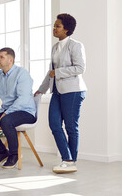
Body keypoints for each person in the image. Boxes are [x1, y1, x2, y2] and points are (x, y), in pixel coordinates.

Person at [34, 13, 86, 174]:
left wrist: (58, 72)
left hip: (73, 91)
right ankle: (68, 158)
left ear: (67, 29)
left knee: (71, 127)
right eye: (54, 25)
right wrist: (41, 89)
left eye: (58, 26)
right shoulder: (55, 48)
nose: (54, 28)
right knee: (54, 124)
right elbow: (51, 73)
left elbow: (80, 68)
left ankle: (70, 160)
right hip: (57, 91)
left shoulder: (76, 45)